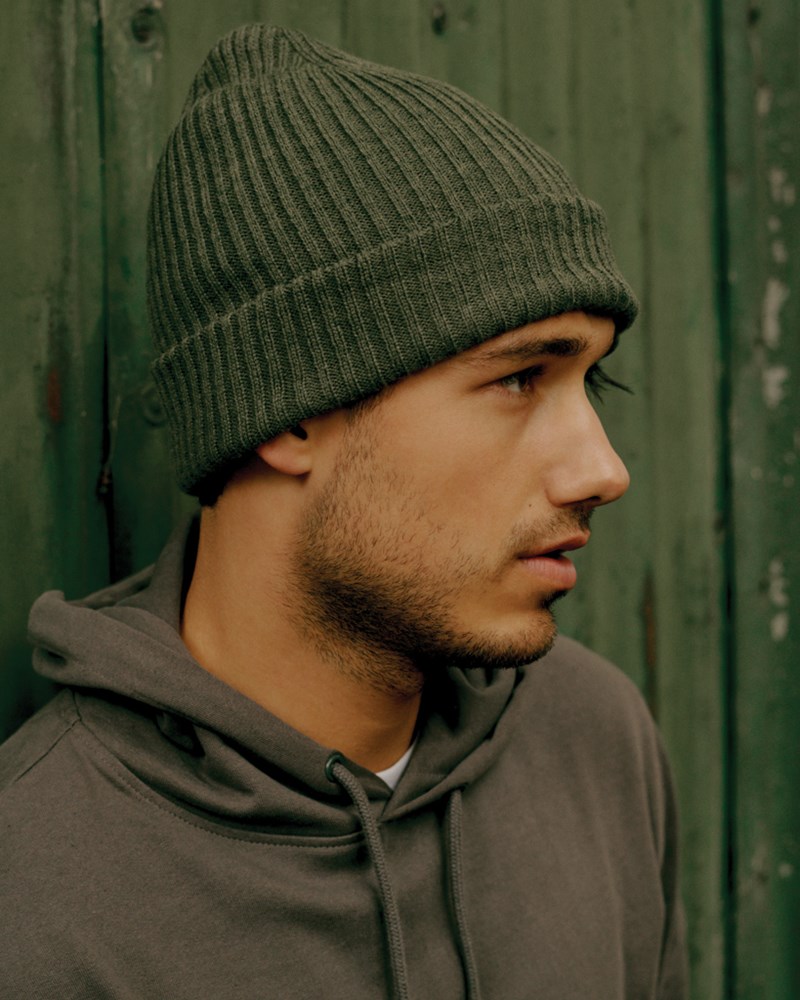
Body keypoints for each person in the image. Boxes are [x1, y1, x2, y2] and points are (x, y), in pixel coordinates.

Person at [0, 24, 688, 1000]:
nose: (603, 470)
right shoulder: (38, 901)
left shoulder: (593, 741)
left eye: (592, 381)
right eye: (519, 377)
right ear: (288, 414)